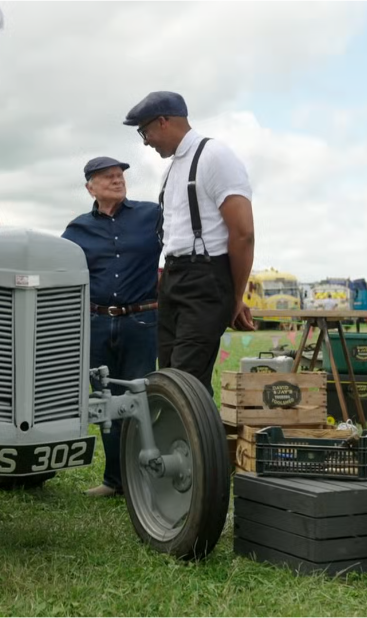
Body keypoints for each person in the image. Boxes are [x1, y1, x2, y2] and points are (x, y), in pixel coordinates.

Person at [123, 91, 256, 395]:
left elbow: (243, 233)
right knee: (169, 378)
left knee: (185, 384)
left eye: (145, 132)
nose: (146, 141)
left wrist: (235, 297)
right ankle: (185, 442)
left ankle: (198, 442)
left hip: (205, 279)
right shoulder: (171, 170)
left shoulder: (214, 155)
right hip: (173, 277)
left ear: (164, 122)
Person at [62, 157, 162, 498]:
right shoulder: (75, 230)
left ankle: (144, 477)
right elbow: (62, 273)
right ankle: (115, 481)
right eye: (108, 177)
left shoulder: (152, 215)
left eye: (120, 175)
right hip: (96, 323)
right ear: (90, 186)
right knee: (105, 401)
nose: (117, 180)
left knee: (139, 398)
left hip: (142, 320)